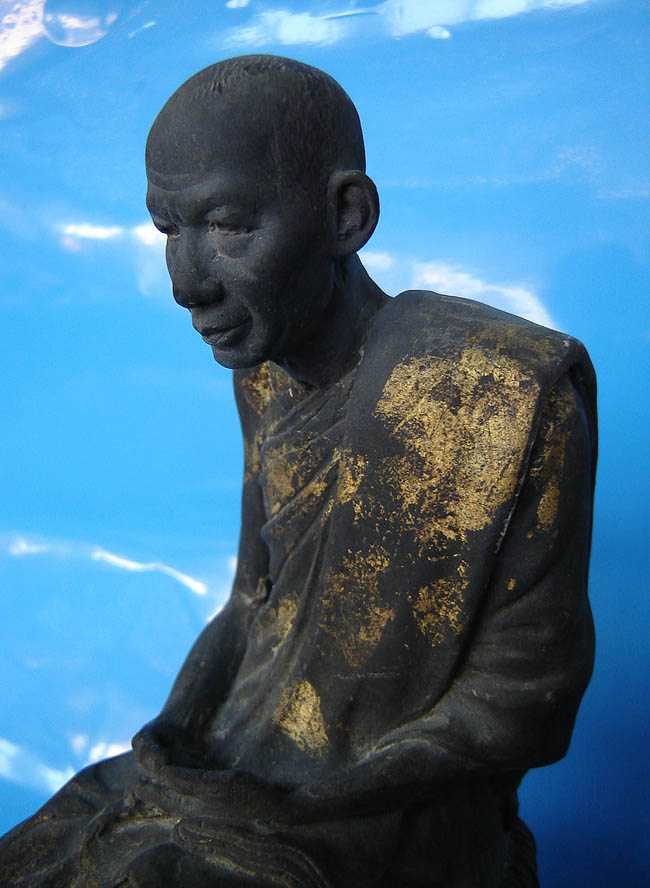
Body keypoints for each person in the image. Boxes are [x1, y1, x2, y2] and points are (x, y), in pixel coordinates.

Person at [0, 55, 596, 887]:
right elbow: (253, 603)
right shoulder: (262, 372)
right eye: (168, 229)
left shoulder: (496, 391)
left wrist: (303, 806)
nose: (186, 284)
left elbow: (522, 702)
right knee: (50, 849)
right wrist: (172, 738)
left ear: (346, 215)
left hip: (391, 806)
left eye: (228, 226)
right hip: (248, 758)